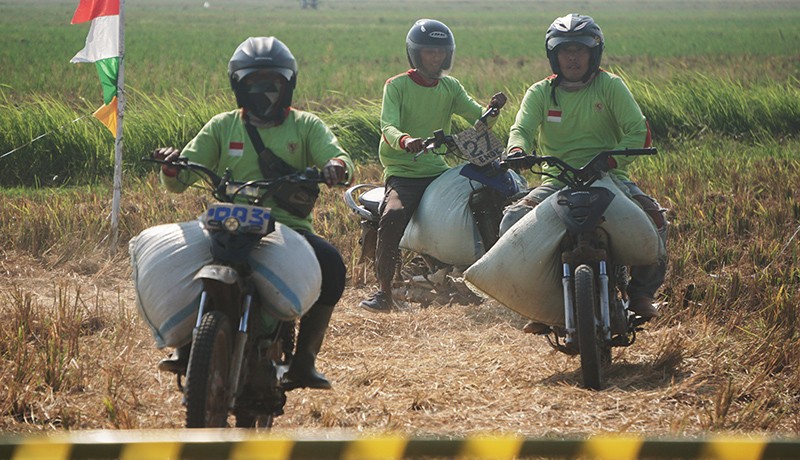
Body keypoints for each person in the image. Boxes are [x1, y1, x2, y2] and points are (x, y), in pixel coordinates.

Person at [153, 36, 354, 391]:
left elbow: (337, 156)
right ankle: (185, 344)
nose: (265, 92)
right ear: (239, 87)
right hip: (226, 221)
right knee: (184, 263)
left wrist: (336, 166)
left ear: (287, 86)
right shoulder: (221, 126)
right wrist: (172, 167)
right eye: (256, 84)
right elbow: (180, 179)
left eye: (273, 84)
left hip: (287, 227)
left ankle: (304, 362)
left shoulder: (305, 125)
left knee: (332, 265)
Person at [500, 13, 668, 331]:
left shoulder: (610, 86)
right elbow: (520, 129)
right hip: (558, 180)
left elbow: (638, 131)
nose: (573, 57)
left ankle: (641, 294)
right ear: (554, 55)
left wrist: (611, 161)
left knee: (654, 217)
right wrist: (517, 151)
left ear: (594, 53)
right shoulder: (540, 93)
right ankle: (542, 302)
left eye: (580, 50)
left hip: (608, 177)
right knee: (512, 220)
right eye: (565, 50)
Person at [359, 18, 507, 313]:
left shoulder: (450, 87)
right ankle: (384, 292)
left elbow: (477, 120)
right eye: (429, 52)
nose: (436, 57)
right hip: (405, 173)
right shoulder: (397, 86)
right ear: (415, 54)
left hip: (437, 169)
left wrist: (492, 110)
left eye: (441, 52)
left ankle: (487, 277)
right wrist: (405, 140)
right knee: (394, 215)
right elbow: (387, 125)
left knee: (486, 198)